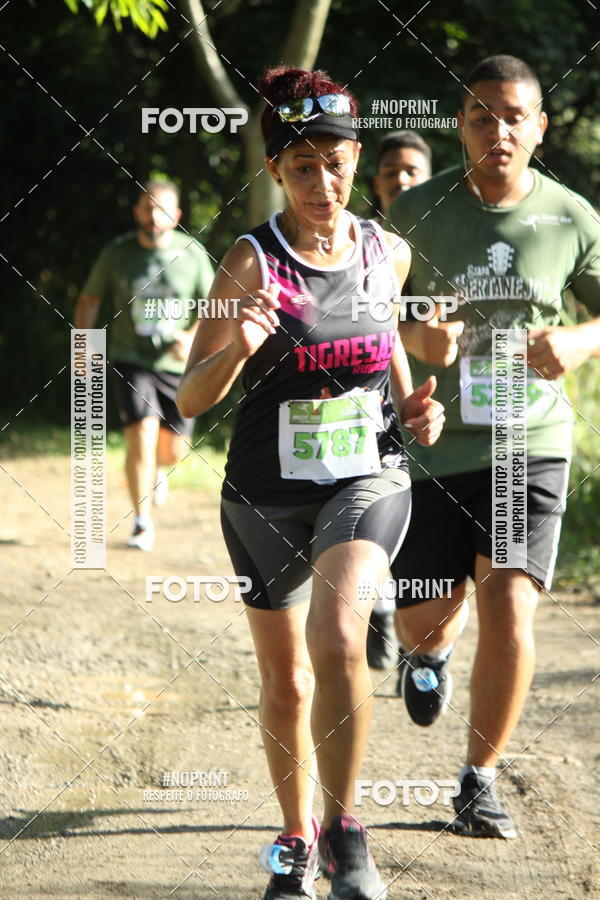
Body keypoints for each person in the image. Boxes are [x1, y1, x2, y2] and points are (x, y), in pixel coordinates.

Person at [177, 66, 445, 900]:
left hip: (367, 480)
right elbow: (189, 397)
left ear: (355, 158)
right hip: (263, 493)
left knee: (336, 640)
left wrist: (413, 407)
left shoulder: (387, 250)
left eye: (335, 163)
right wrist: (237, 345)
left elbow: (385, 340)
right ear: (276, 171)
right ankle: (295, 837)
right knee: (288, 682)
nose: (322, 183)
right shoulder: (250, 261)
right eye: (302, 168)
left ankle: (345, 831)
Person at [388, 55, 600, 839]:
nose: (498, 130)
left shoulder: (572, 217)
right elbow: (362, 314)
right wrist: (416, 336)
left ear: (539, 128)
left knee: (509, 602)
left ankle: (478, 780)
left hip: (528, 440)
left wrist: (580, 340)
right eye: (483, 116)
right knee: (424, 617)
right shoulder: (414, 211)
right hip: (435, 444)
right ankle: (426, 657)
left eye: (514, 117)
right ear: (460, 126)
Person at [74, 180, 214, 551]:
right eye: (148, 208)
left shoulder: (192, 253)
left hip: (177, 365)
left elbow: (213, 306)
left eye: (162, 209)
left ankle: (158, 471)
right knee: (141, 433)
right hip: (131, 359)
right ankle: (141, 522)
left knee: (172, 452)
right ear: (137, 212)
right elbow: (89, 300)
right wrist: (84, 349)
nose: (155, 216)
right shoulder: (117, 254)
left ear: (177, 215)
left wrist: (191, 338)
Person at [367, 131, 432, 670]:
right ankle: (381, 606)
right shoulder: (356, 244)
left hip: (440, 409)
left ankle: (426, 647)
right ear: (376, 183)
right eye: (391, 173)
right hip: (370, 407)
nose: (402, 181)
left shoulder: (447, 239)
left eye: (413, 172)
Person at [372, 130, 432, 219]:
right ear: (376, 185)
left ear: (430, 185)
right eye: (391, 173)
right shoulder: (356, 228)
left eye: (411, 173)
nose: (401, 180)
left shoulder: (449, 227)